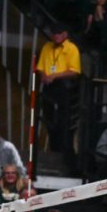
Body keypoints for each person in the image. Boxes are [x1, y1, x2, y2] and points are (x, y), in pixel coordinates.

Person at [36, 24, 82, 155]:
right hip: (48, 87)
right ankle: (53, 149)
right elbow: (40, 67)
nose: (56, 35)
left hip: (64, 87)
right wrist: (44, 75)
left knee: (63, 121)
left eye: (59, 33)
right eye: (54, 33)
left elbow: (75, 72)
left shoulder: (72, 48)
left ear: (65, 34)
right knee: (48, 119)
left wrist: (55, 76)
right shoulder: (47, 46)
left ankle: (63, 152)